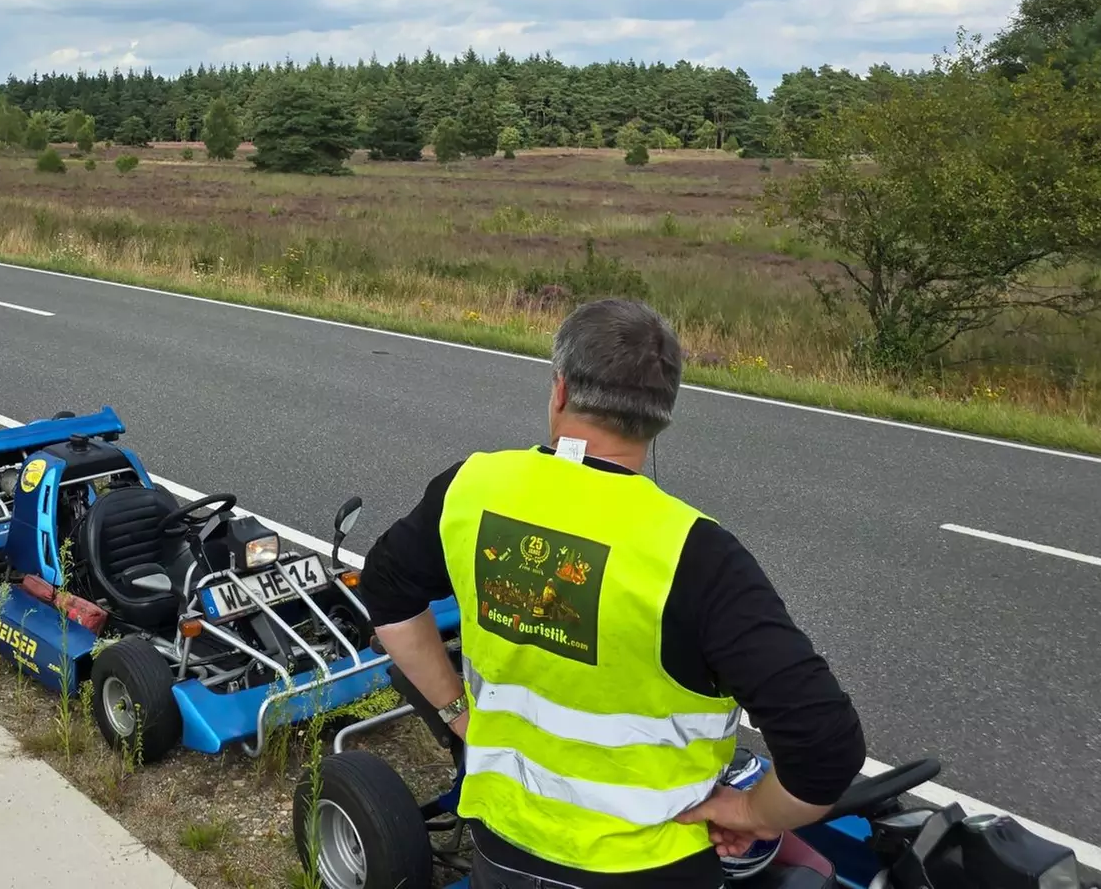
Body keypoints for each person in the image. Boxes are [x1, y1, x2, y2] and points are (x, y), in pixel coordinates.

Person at [358, 298, 865, 889]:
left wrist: (457, 713)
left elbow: (387, 591)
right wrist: (750, 813)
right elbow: (824, 746)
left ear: (561, 390)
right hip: (648, 863)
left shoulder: (470, 487)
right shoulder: (694, 554)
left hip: (505, 844)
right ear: (661, 414)